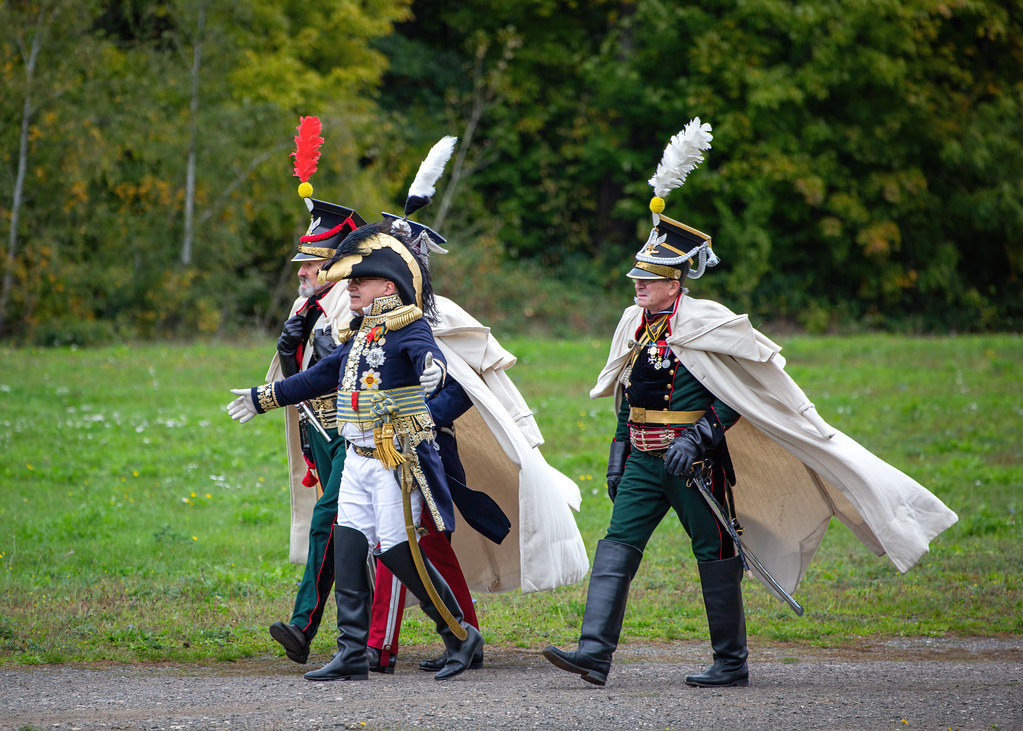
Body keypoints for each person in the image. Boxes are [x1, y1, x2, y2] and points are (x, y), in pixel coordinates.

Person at [543, 118, 957, 688]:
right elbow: (627, 393)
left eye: (649, 277)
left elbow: (741, 397)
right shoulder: (633, 323)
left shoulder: (709, 325)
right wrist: (619, 448)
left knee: (714, 553)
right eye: (637, 276)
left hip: (694, 462)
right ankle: (594, 653)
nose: (637, 284)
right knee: (617, 544)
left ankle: (731, 662)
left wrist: (698, 439)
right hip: (643, 458)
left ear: (676, 283)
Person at [228, 220, 483, 681]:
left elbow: (432, 358)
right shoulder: (361, 333)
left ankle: (460, 636)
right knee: (347, 547)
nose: (352, 288)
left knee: (398, 553)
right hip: (357, 459)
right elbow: (320, 376)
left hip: (392, 463)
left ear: (388, 285)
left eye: (360, 282)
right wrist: (263, 396)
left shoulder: (409, 327)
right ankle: (350, 651)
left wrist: (433, 372)